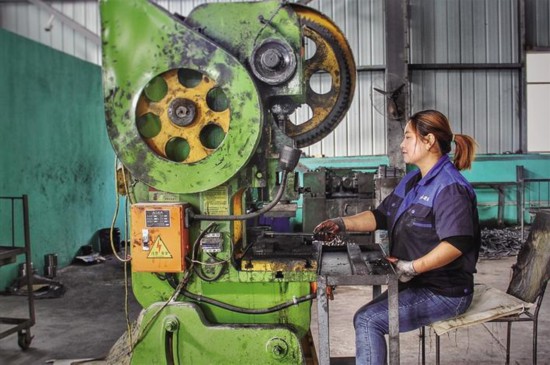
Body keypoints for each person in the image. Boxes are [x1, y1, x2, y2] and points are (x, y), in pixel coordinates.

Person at [314, 109, 481, 364]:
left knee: (368, 320)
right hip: (417, 284)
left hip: (445, 292)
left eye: (408, 137)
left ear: (429, 141)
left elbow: (456, 244)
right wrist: (340, 224)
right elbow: (381, 216)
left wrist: (412, 267)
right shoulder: (413, 180)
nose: (401, 145)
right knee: (365, 317)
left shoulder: (450, 187)